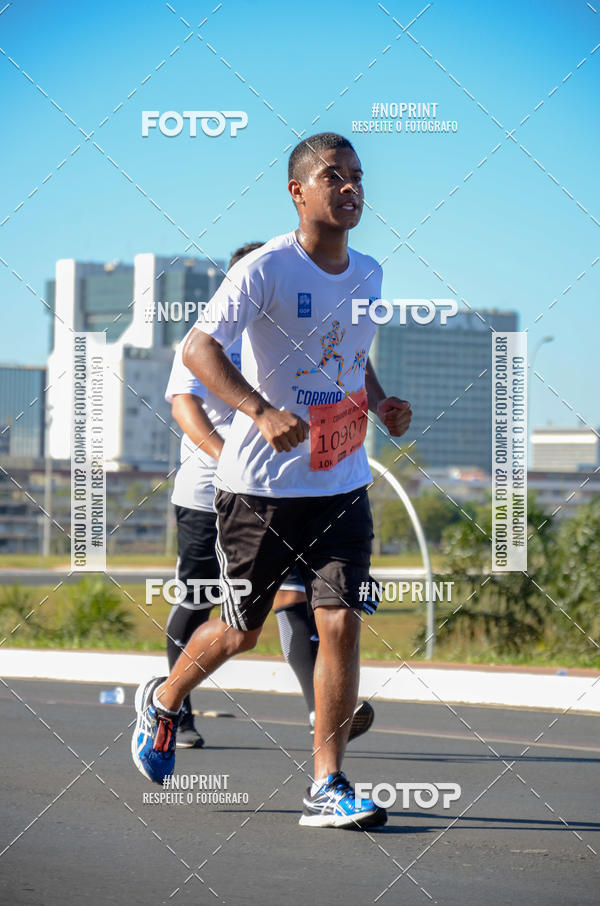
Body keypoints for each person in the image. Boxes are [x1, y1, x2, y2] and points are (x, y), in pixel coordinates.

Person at [132, 132, 412, 829]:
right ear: (298, 191)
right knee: (240, 632)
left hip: (340, 482)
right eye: (333, 177)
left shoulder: (370, 272)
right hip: (260, 489)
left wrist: (380, 403)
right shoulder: (264, 269)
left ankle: (328, 783)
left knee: (339, 622)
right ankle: (164, 700)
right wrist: (258, 411)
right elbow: (197, 349)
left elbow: (352, 355)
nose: (350, 188)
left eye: (357, 176)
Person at [165, 243, 375, 746]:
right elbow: (184, 405)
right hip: (216, 489)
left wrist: (374, 407)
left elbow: (348, 365)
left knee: (304, 600)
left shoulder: (298, 331)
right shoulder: (213, 336)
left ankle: (322, 718)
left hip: (296, 489)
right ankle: (173, 708)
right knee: (210, 604)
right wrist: (228, 457)